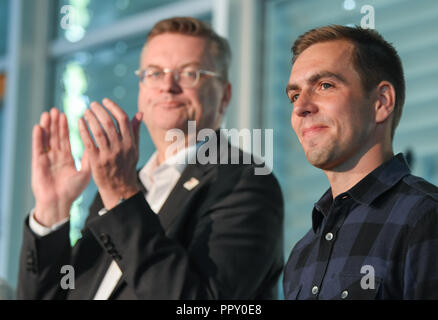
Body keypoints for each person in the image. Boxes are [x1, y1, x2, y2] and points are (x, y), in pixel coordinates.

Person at [17, 17, 284, 300]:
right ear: (142, 89)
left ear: (225, 96)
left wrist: (120, 194)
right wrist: (52, 211)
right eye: (154, 73)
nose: (167, 86)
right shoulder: (123, 187)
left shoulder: (246, 183)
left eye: (189, 73)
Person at [283, 25, 438, 299]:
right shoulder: (301, 253)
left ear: (381, 102)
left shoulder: (426, 219)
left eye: (325, 86)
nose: (300, 107)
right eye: (294, 95)